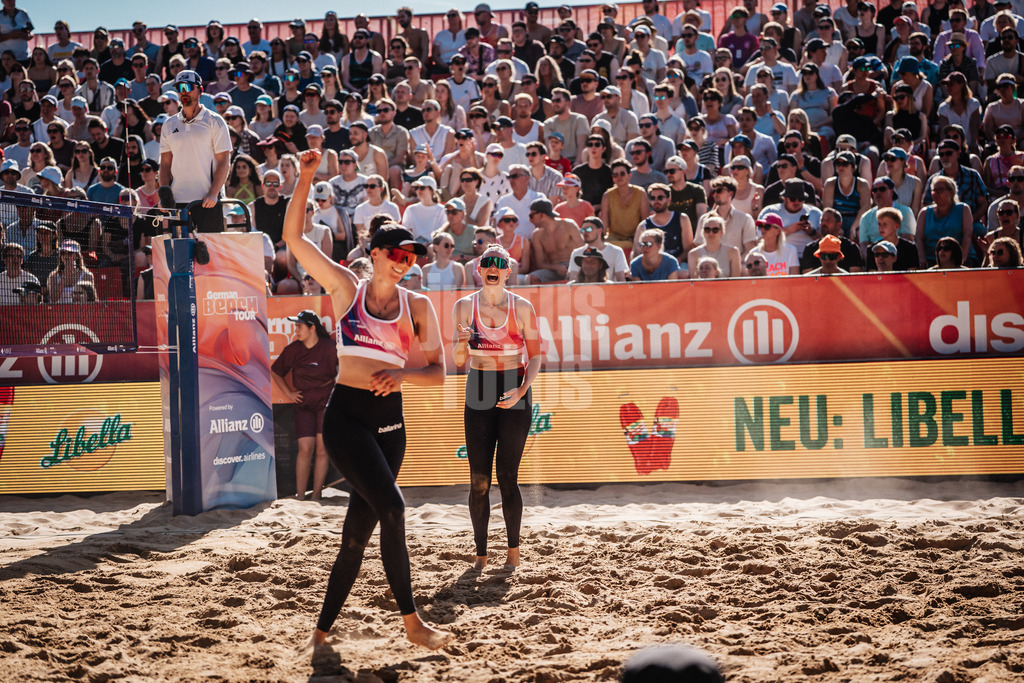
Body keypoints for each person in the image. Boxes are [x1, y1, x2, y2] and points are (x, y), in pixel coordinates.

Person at [285, 148, 452, 652]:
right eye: (397, 255)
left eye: (411, 258)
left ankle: (320, 633)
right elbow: (294, 239)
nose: (404, 264)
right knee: (394, 509)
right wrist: (306, 178)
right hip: (346, 419)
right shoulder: (346, 290)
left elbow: (440, 374)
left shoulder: (417, 306)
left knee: (357, 534)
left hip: (390, 427)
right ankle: (413, 624)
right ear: (376, 253)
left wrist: (403, 375)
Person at [453, 243, 540, 570]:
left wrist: (521, 392)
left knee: (507, 476)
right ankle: (481, 554)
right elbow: (458, 360)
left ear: (508, 271)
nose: (493, 267)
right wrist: (461, 343)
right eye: (487, 262)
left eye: (499, 263)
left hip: (513, 385)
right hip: (479, 385)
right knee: (479, 480)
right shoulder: (464, 306)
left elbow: (536, 357)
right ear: (479, 269)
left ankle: (513, 553)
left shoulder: (522, 307)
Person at [272, 310, 338, 502]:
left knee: (322, 449)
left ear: (312, 328)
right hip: (303, 402)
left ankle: (316, 496)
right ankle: (300, 497)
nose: (296, 331)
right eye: (295, 327)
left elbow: (347, 369)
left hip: (325, 401)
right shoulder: (293, 349)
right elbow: (276, 371)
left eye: (299, 327)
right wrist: (289, 393)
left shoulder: (330, 348)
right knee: (305, 449)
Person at [159, 70, 231, 233]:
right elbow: (164, 165)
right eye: (180, 88)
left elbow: (224, 162)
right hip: (177, 203)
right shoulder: (169, 124)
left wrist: (213, 193)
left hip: (208, 201)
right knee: (180, 249)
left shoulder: (215, 121)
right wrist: (165, 196)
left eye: (188, 87)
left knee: (210, 249)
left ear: (200, 90)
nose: (184, 92)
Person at [527, 197, 584, 282]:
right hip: (553, 270)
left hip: (573, 267)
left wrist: (573, 268)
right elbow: (540, 264)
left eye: (531, 216)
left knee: (573, 276)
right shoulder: (537, 235)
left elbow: (583, 251)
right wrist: (556, 267)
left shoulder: (569, 225)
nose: (530, 220)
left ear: (541, 215)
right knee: (532, 278)